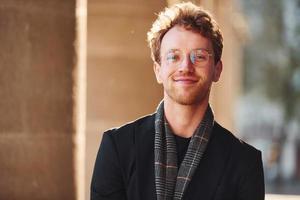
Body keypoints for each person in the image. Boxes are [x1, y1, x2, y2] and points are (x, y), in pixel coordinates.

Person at [91, 2, 265, 200]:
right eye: (174, 56)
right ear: (158, 70)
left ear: (217, 69)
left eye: (199, 56)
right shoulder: (117, 147)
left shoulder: (244, 162)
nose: (186, 67)